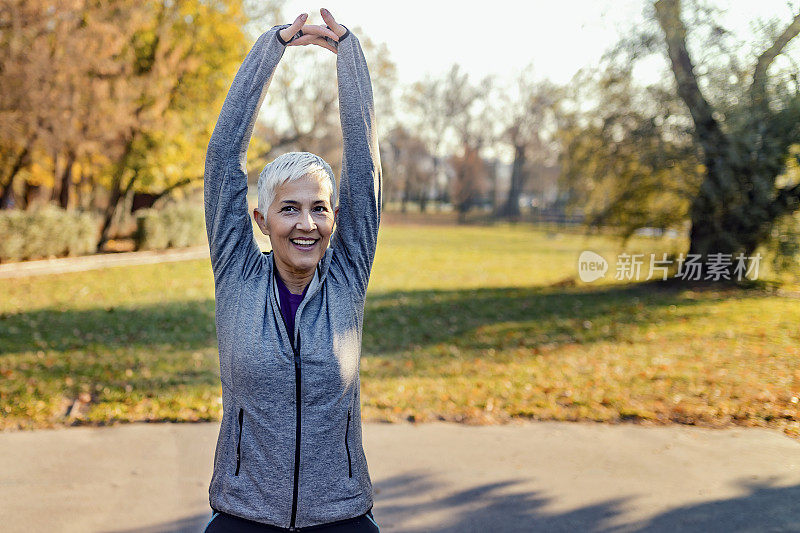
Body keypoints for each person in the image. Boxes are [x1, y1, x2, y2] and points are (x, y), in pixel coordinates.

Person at [202, 8, 381, 532]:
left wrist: (349, 57)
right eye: (289, 208)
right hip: (244, 514)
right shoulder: (237, 273)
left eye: (319, 208)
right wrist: (270, 49)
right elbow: (221, 161)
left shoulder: (346, 275)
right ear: (260, 219)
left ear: (335, 217)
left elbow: (365, 167)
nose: (307, 224)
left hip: (341, 515)